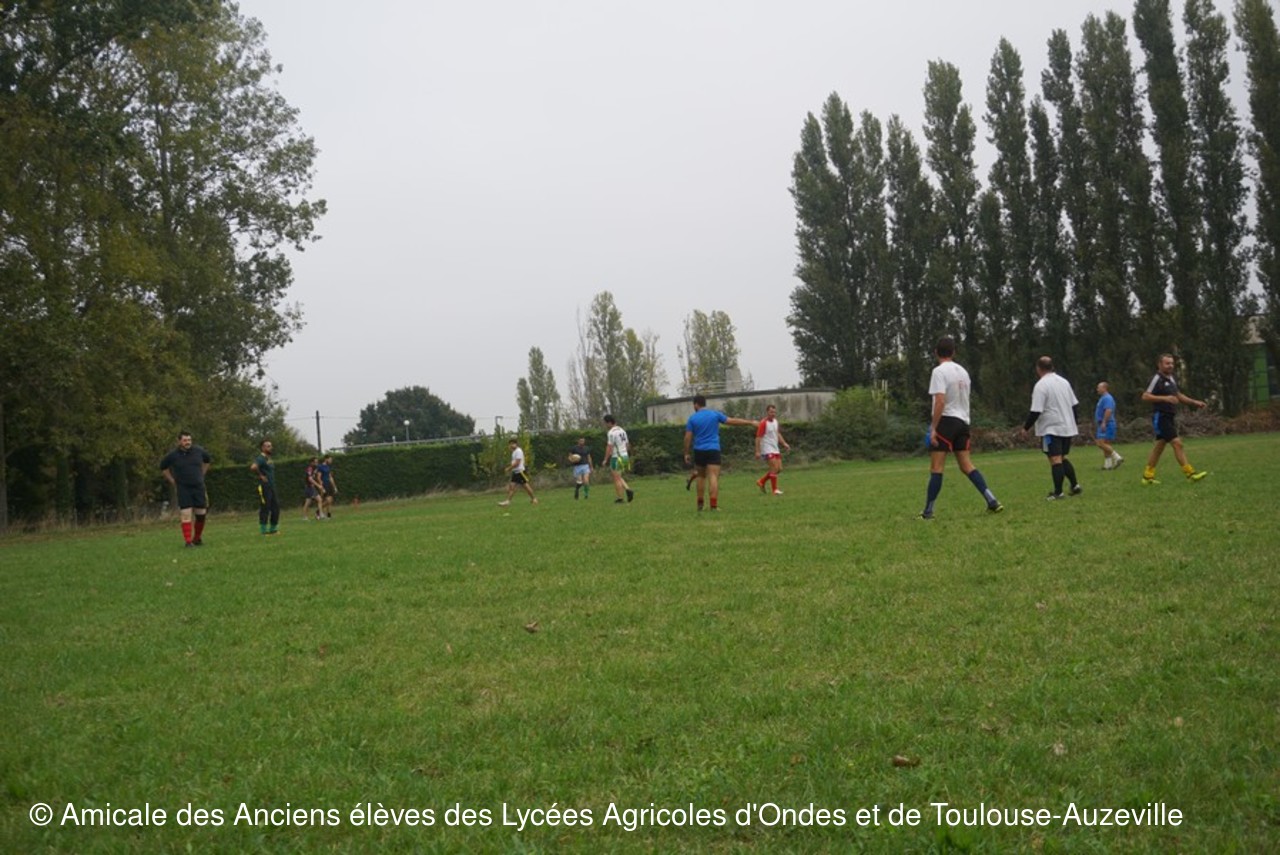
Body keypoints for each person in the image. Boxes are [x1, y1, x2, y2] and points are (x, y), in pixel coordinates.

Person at [919, 336, 1004, 519]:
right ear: (954, 352)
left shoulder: (938, 372)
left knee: (936, 468)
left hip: (946, 421)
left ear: (936, 352)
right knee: (966, 465)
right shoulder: (963, 372)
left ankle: (928, 511)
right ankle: (992, 500)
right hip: (963, 422)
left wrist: (933, 428)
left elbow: (940, 401)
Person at [1140, 353, 1209, 485]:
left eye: (1172, 363)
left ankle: (1147, 476)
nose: (1170, 366)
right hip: (1161, 416)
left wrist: (1194, 402)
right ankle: (1190, 474)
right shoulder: (1156, 379)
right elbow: (1145, 396)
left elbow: (1178, 395)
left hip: (1169, 416)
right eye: (1167, 363)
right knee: (1177, 444)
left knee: (1159, 447)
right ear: (1159, 365)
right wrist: (1165, 398)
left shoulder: (1171, 378)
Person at [1021, 356, 1082, 500]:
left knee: (1055, 459)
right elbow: (1074, 405)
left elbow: (1036, 410)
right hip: (1067, 426)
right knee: (1061, 458)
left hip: (1051, 428)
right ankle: (1075, 485)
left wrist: (1026, 428)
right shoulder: (1064, 382)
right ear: (1052, 367)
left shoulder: (1041, 385)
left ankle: (1058, 492)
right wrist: (1074, 422)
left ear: (1038, 369)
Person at [683, 394, 757, 511]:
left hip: (699, 450)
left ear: (696, 405)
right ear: (704, 403)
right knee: (713, 476)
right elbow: (732, 421)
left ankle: (700, 504)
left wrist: (686, 453)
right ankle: (713, 506)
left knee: (701, 476)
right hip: (713, 449)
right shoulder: (714, 414)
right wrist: (750, 422)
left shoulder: (692, 418)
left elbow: (687, 437)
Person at [159, 431, 212, 547]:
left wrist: (201, 474)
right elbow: (163, 467)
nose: (187, 442)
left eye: (189, 440)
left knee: (201, 514)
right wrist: (172, 480)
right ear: (179, 441)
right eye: (185, 440)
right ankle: (188, 541)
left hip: (198, 487)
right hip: (183, 488)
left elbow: (207, 461)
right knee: (186, 514)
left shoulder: (199, 451)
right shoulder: (173, 455)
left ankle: (197, 538)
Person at [754, 403, 791, 495]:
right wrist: (758, 451)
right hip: (767, 449)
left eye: (774, 412)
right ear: (767, 412)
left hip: (775, 448)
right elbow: (758, 437)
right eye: (771, 412)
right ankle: (775, 490)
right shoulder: (763, 423)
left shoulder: (775, 422)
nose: (773, 414)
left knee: (779, 469)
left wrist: (784, 443)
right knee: (774, 468)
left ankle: (761, 481)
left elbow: (777, 434)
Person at [602, 414, 634, 504]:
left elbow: (609, 446)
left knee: (616, 478)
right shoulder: (622, 430)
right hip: (624, 455)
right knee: (618, 476)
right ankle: (628, 489)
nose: (605, 425)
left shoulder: (611, 432)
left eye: (605, 423)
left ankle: (620, 498)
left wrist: (605, 459)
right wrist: (626, 453)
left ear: (609, 423)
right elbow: (627, 444)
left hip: (617, 457)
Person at [250, 439, 280, 535]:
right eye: (268, 446)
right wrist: (261, 476)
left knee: (276, 507)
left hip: (272, 486)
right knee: (265, 507)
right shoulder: (261, 458)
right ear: (262, 448)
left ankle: (273, 529)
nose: (271, 448)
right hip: (265, 486)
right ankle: (263, 530)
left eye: (271, 446)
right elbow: (253, 467)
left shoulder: (269, 459)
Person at [499, 438, 538, 506]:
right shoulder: (514, 452)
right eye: (510, 444)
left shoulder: (518, 451)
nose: (511, 445)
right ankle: (507, 501)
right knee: (512, 487)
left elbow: (517, 463)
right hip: (516, 472)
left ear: (516, 444)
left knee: (526, 486)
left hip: (520, 472)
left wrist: (509, 468)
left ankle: (534, 499)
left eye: (512, 444)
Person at [1095, 382, 1123, 470]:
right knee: (1106, 443)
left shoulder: (1107, 398)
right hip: (1103, 423)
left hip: (1107, 423)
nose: (1097, 389)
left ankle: (1117, 457)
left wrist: (1104, 422)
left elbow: (1108, 410)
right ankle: (1108, 465)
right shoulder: (1103, 398)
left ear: (1104, 388)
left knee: (1100, 443)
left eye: (1099, 387)